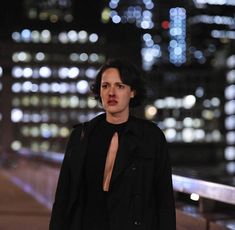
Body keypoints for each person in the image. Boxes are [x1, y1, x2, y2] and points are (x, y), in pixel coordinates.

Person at [49, 58, 176, 230]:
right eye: (105, 86)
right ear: (99, 91)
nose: (111, 92)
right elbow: (63, 195)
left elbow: (164, 200)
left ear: (132, 92)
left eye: (120, 86)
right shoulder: (82, 135)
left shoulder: (151, 137)